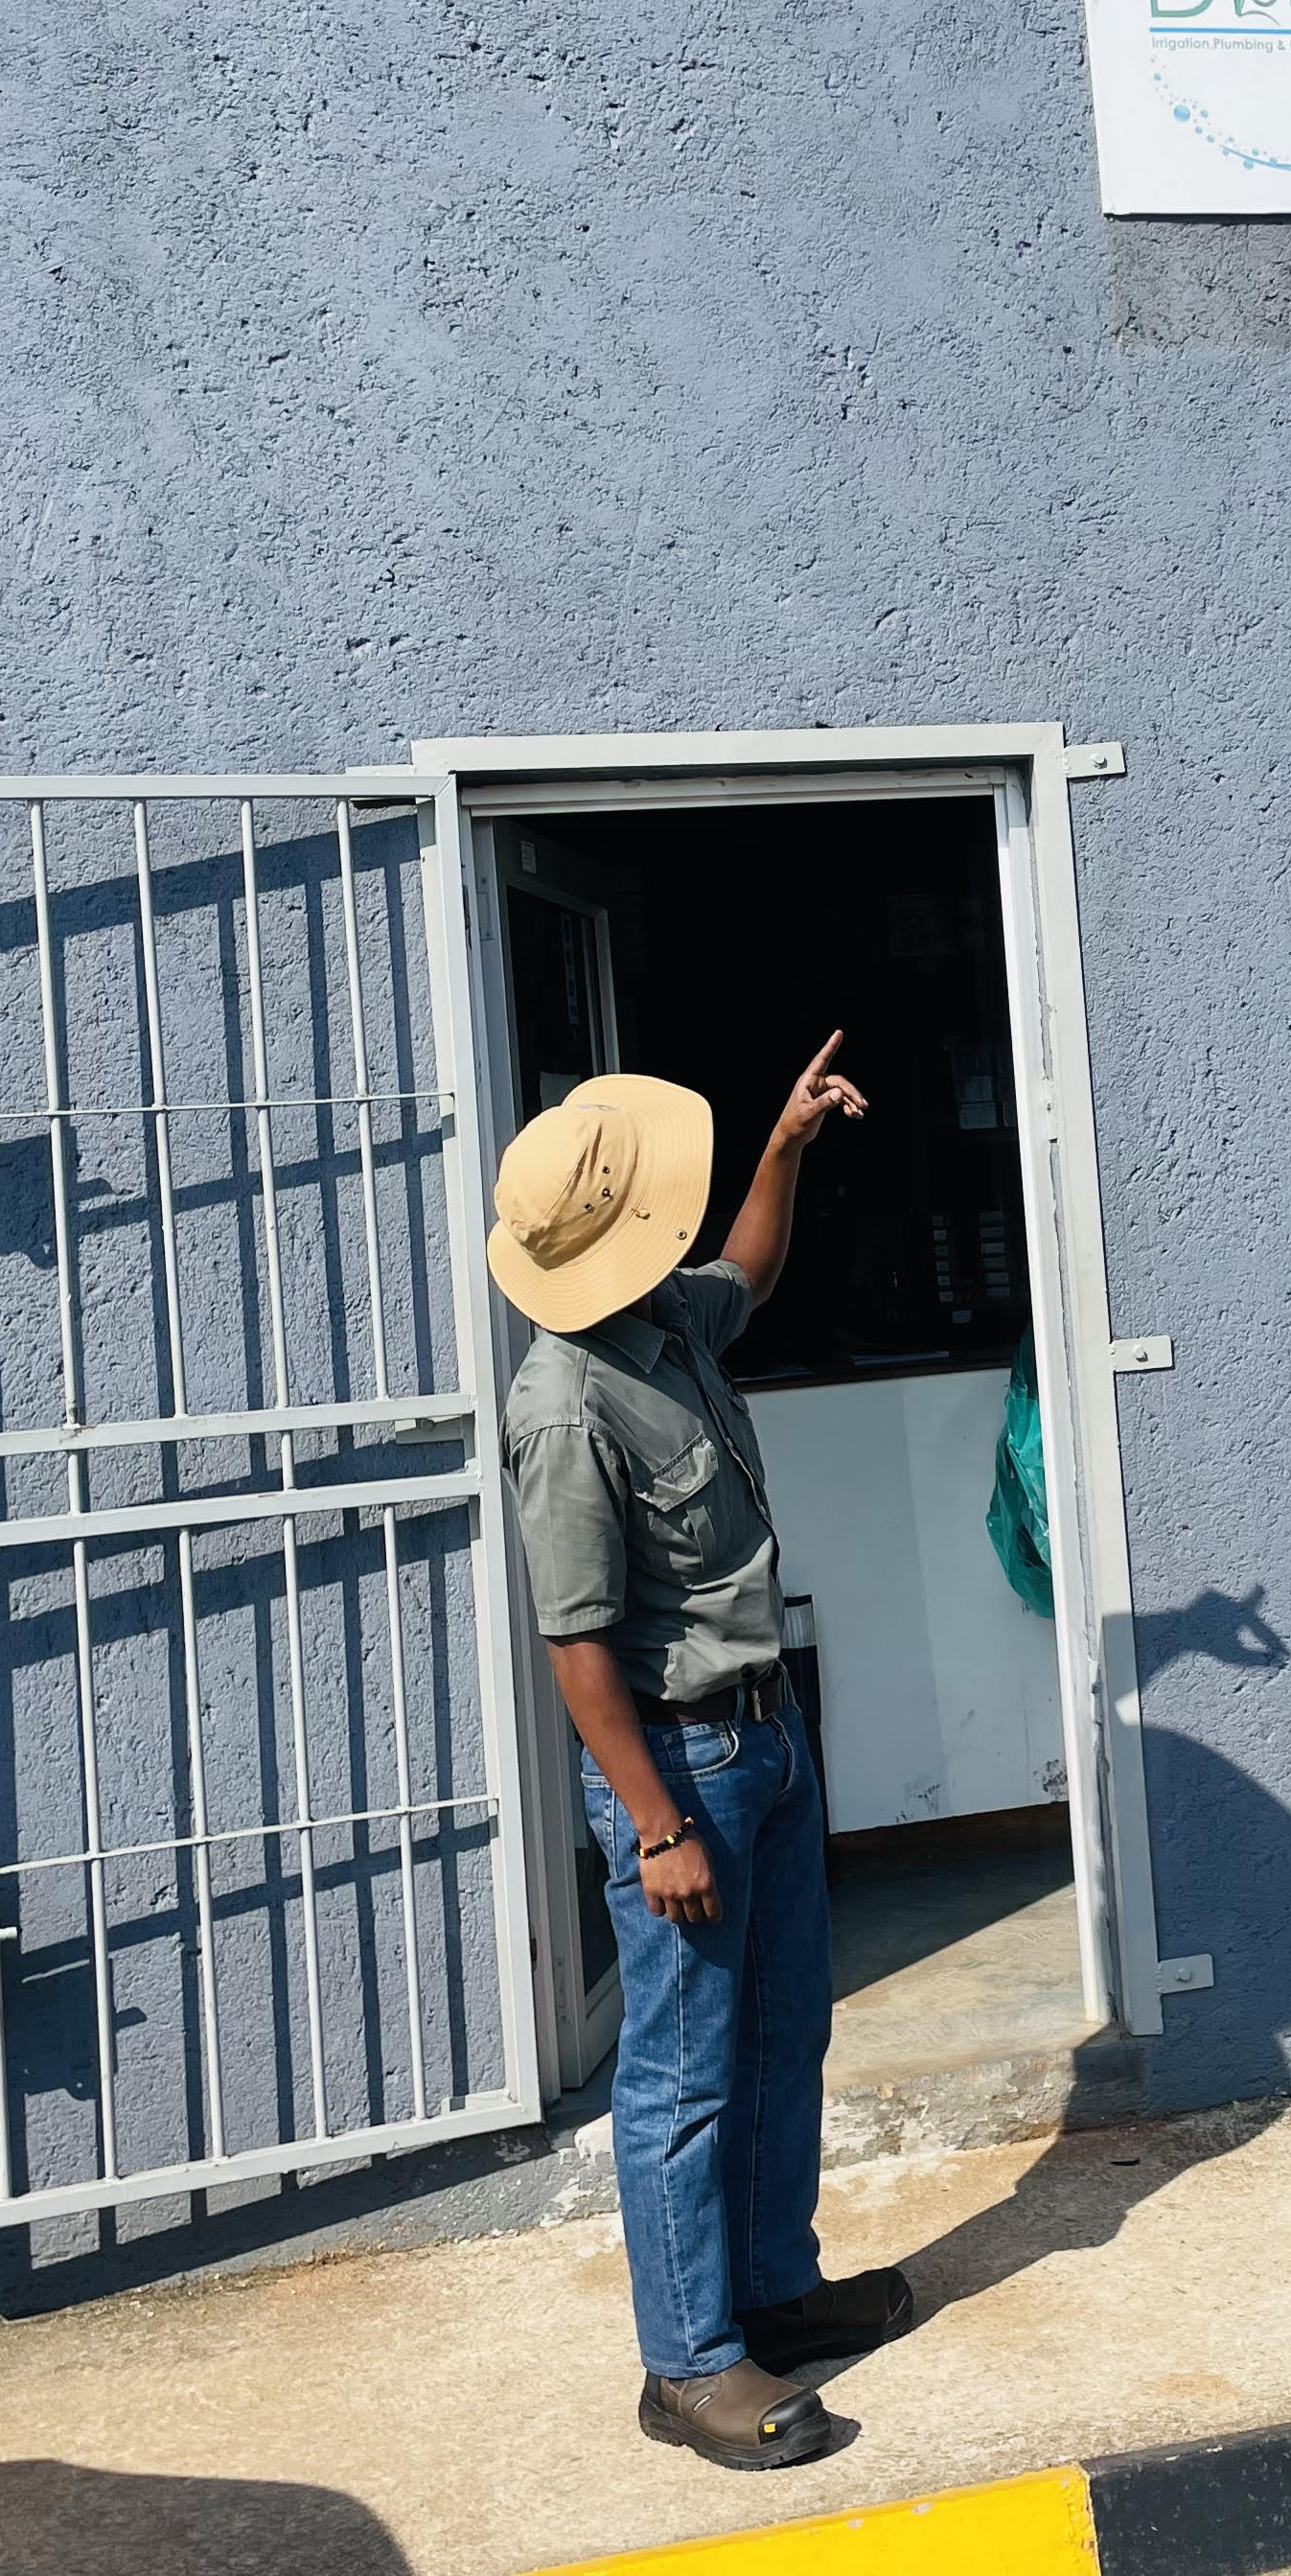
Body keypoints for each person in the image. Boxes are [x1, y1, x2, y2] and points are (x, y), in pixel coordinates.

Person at [490, 1033, 915, 2471]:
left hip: (768, 1739)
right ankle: (686, 2366)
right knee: (682, 2074)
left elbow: (751, 1270)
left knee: (787, 2032)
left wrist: (784, 1144)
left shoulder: (664, 1319)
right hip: (684, 1773)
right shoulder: (564, 1407)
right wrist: (657, 1825)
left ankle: (771, 2292)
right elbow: (576, 1646)